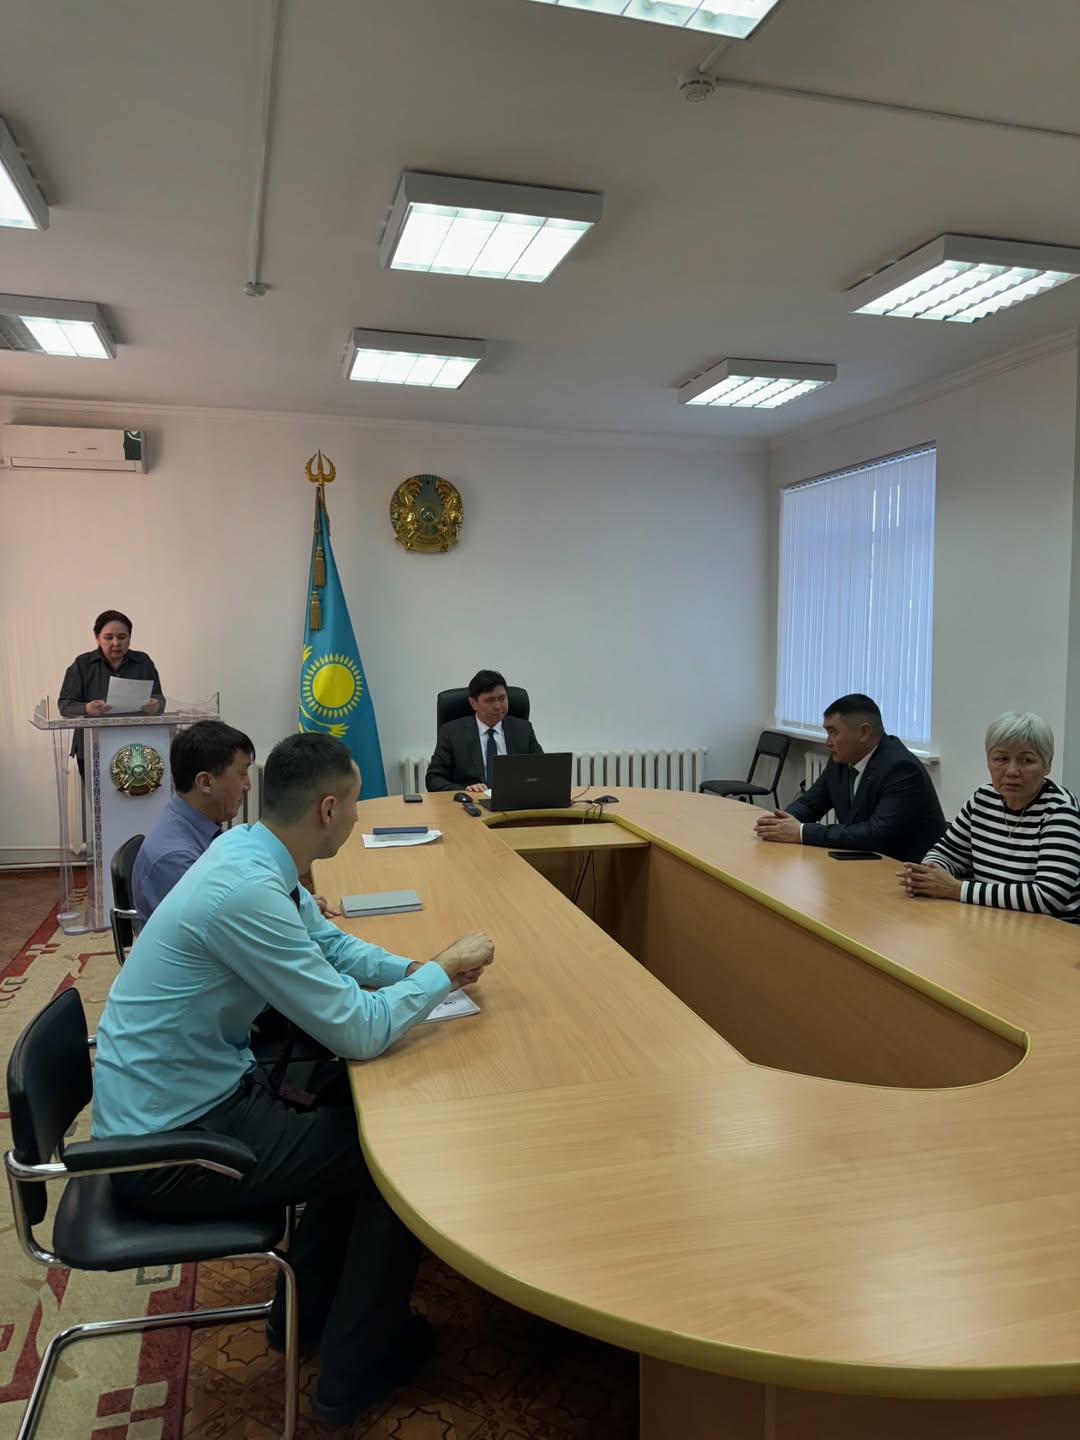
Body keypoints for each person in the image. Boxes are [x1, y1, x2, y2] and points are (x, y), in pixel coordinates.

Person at [92, 732, 495, 1425]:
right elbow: (358, 1030)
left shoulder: (251, 853)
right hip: (168, 1147)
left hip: (194, 1096)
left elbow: (330, 946)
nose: (360, 814)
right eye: (357, 802)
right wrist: (439, 971)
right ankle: (354, 1370)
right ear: (328, 810)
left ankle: (303, 1317)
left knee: (350, 1119)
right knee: (392, 1163)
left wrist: (419, 970)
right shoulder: (247, 890)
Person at [899, 712, 1080, 922]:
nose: (1012, 771)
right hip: (992, 919)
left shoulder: (1060, 810)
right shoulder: (983, 799)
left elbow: (1048, 897)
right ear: (988, 762)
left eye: (1026, 760)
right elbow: (946, 852)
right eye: (1001, 758)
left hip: (1053, 930)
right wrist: (931, 874)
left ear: (1047, 765)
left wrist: (956, 889)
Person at [754, 693, 946, 862]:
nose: (827, 742)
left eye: (833, 732)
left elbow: (876, 834)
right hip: (863, 863)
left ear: (864, 732)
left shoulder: (901, 769)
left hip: (905, 873)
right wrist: (778, 824)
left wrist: (801, 832)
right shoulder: (841, 761)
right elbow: (810, 804)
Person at [132, 719, 256, 925]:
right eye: (242, 774)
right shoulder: (175, 859)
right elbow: (220, 929)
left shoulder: (198, 825)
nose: (248, 785)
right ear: (205, 782)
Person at [58, 609, 164, 774]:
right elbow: (65, 705)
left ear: (129, 637)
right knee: (97, 791)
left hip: (137, 747)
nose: (116, 643)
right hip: (92, 746)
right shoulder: (82, 664)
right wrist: (87, 709)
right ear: (97, 638)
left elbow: (160, 698)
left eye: (122, 637)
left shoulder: (143, 662)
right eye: (108, 637)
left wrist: (156, 705)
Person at [426, 668, 543, 793]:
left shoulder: (523, 729)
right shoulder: (452, 732)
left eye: (502, 698)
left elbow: (543, 770)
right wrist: (465, 791)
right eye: (490, 700)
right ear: (473, 703)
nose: (498, 706)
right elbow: (433, 779)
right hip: (472, 802)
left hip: (514, 799)